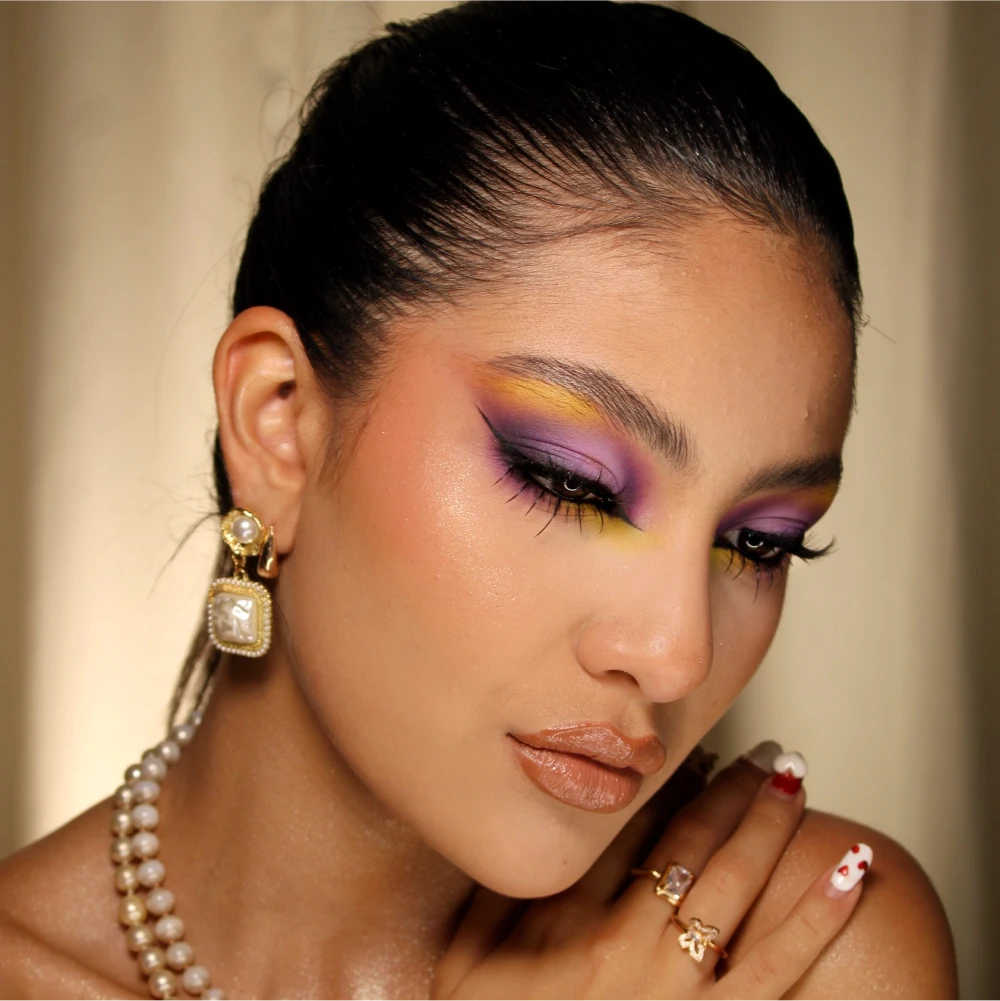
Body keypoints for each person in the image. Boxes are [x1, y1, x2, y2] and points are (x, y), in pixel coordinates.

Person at [0, 1, 959, 998]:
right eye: (568, 479)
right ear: (277, 421)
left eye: (761, 542)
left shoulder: (809, 952)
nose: (678, 654)